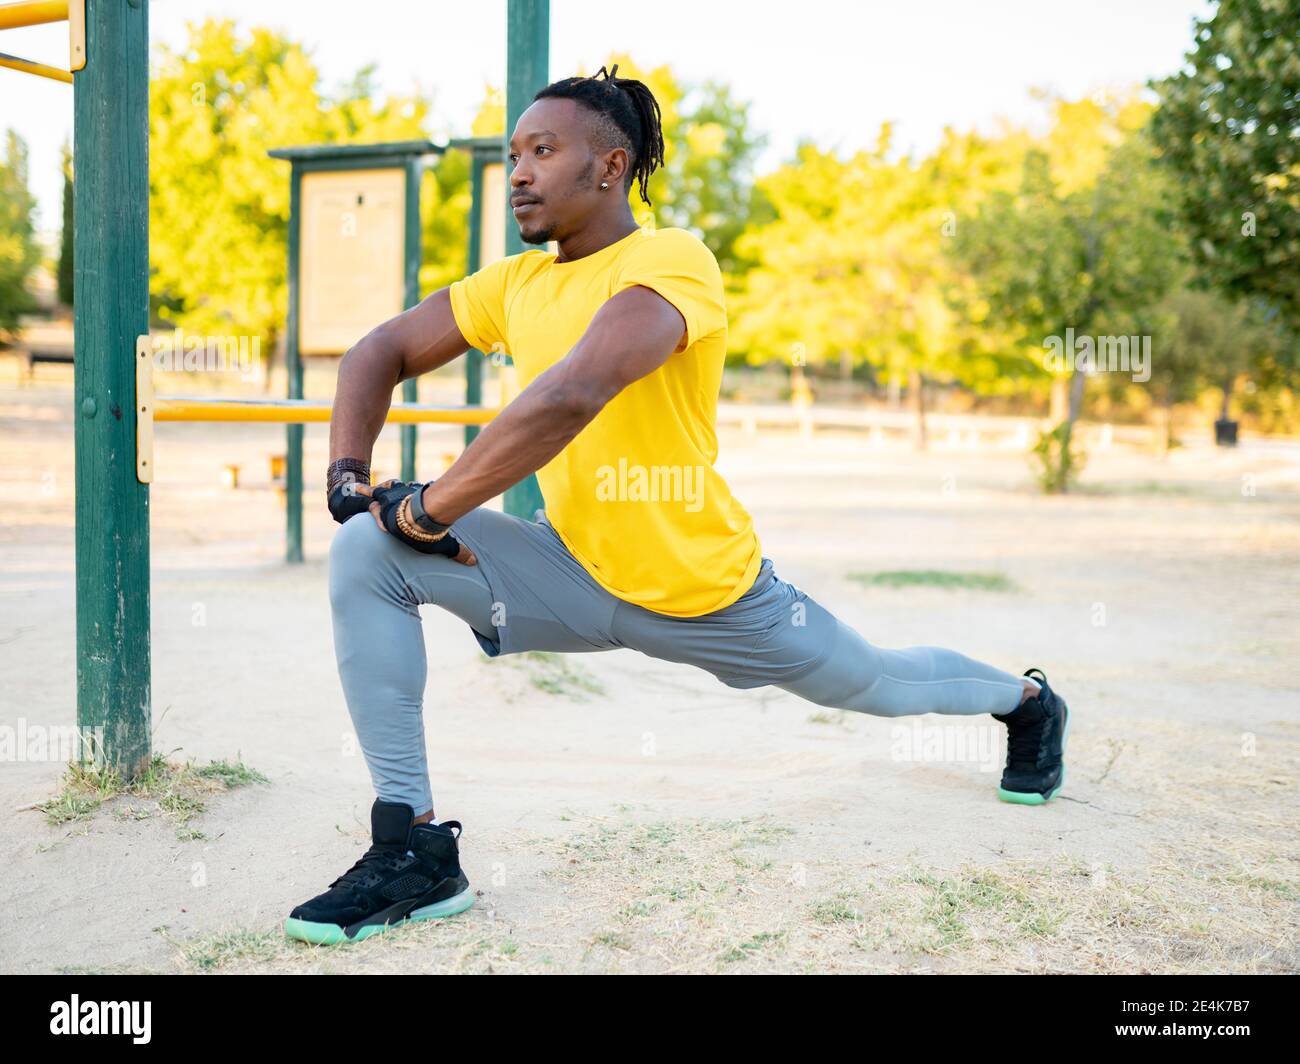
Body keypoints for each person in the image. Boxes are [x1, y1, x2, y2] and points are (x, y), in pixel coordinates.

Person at [283, 66, 1070, 947]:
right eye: (513, 155)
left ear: (611, 166)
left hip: (709, 594)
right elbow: (377, 350)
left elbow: (575, 391)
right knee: (367, 553)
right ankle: (414, 851)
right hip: (567, 574)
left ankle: (1027, 701)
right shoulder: (514, 285)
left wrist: (431, 506)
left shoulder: (671, 261)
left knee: (875, 682)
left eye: (543, 151)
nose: (519, 173)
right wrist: (350, 475)